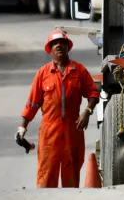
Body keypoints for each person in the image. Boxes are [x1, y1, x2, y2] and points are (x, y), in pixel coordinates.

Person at [17, 30, 100, 188]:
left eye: (62, 42)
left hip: (72, 132)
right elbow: (32, 104)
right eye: (55, 43)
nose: (59, 45)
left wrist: (87, 112)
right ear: (50, 49)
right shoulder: (42, 74)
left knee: (71, 180)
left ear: (68, 46)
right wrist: (22, 127)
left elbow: (93, 92)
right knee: (46, 179)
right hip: (49, 134)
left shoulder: (79, 71)